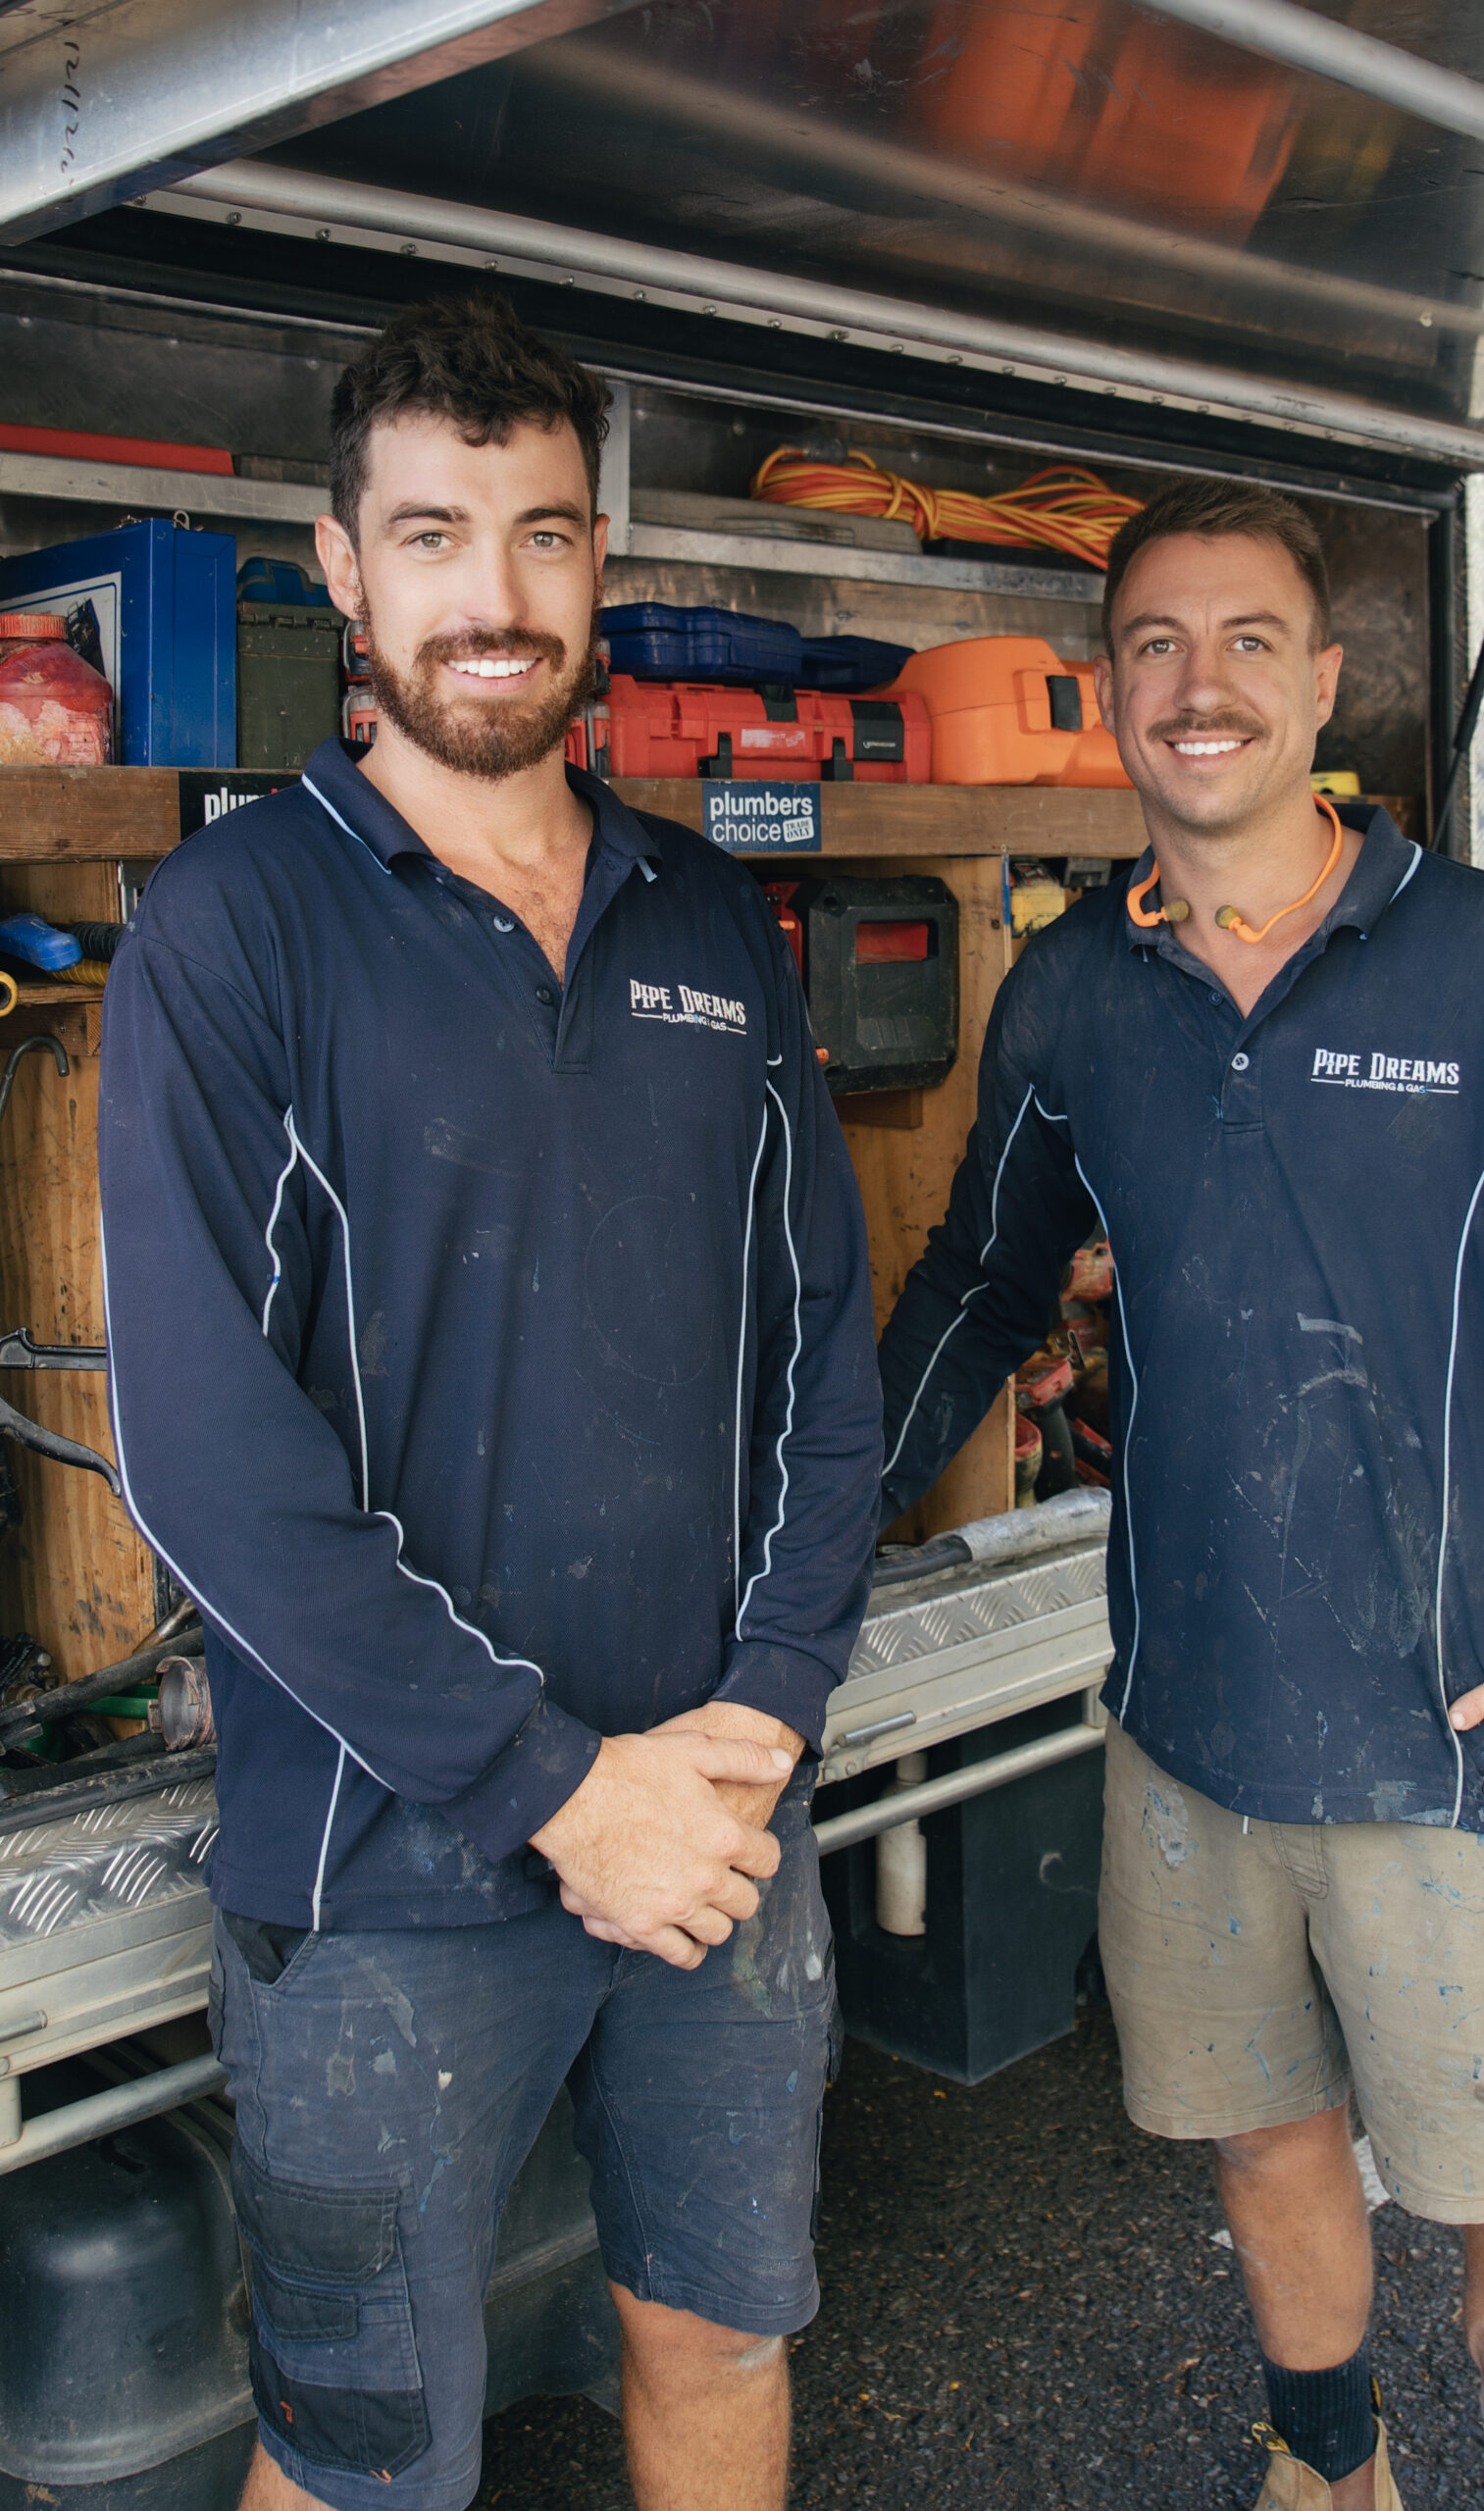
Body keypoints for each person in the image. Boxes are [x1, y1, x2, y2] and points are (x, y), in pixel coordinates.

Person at [875, 477, 1484, 2510]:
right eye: (1156, 647)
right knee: (1265, 2133)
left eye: (1248, 643)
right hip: (1188, 1737)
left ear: (1328, 679)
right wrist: (810, 1519)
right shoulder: (1071, 998)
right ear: (1108, 684)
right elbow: (979, 1284)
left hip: (1463, 1748)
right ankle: (1330, 2467)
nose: (1200, 689)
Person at [98, 293, 883, 2511]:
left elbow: (822, 1349)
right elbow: (209, 1462)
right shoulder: (230, 928)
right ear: (342, 567)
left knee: (719, 2335)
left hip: (722, 1821)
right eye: (433, 536)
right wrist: (557, 1786)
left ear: (599, 555)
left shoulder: (712, 920)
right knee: (361, 2461)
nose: (493, 596)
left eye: (542, 538)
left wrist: (771, 1706)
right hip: (385, 1871)